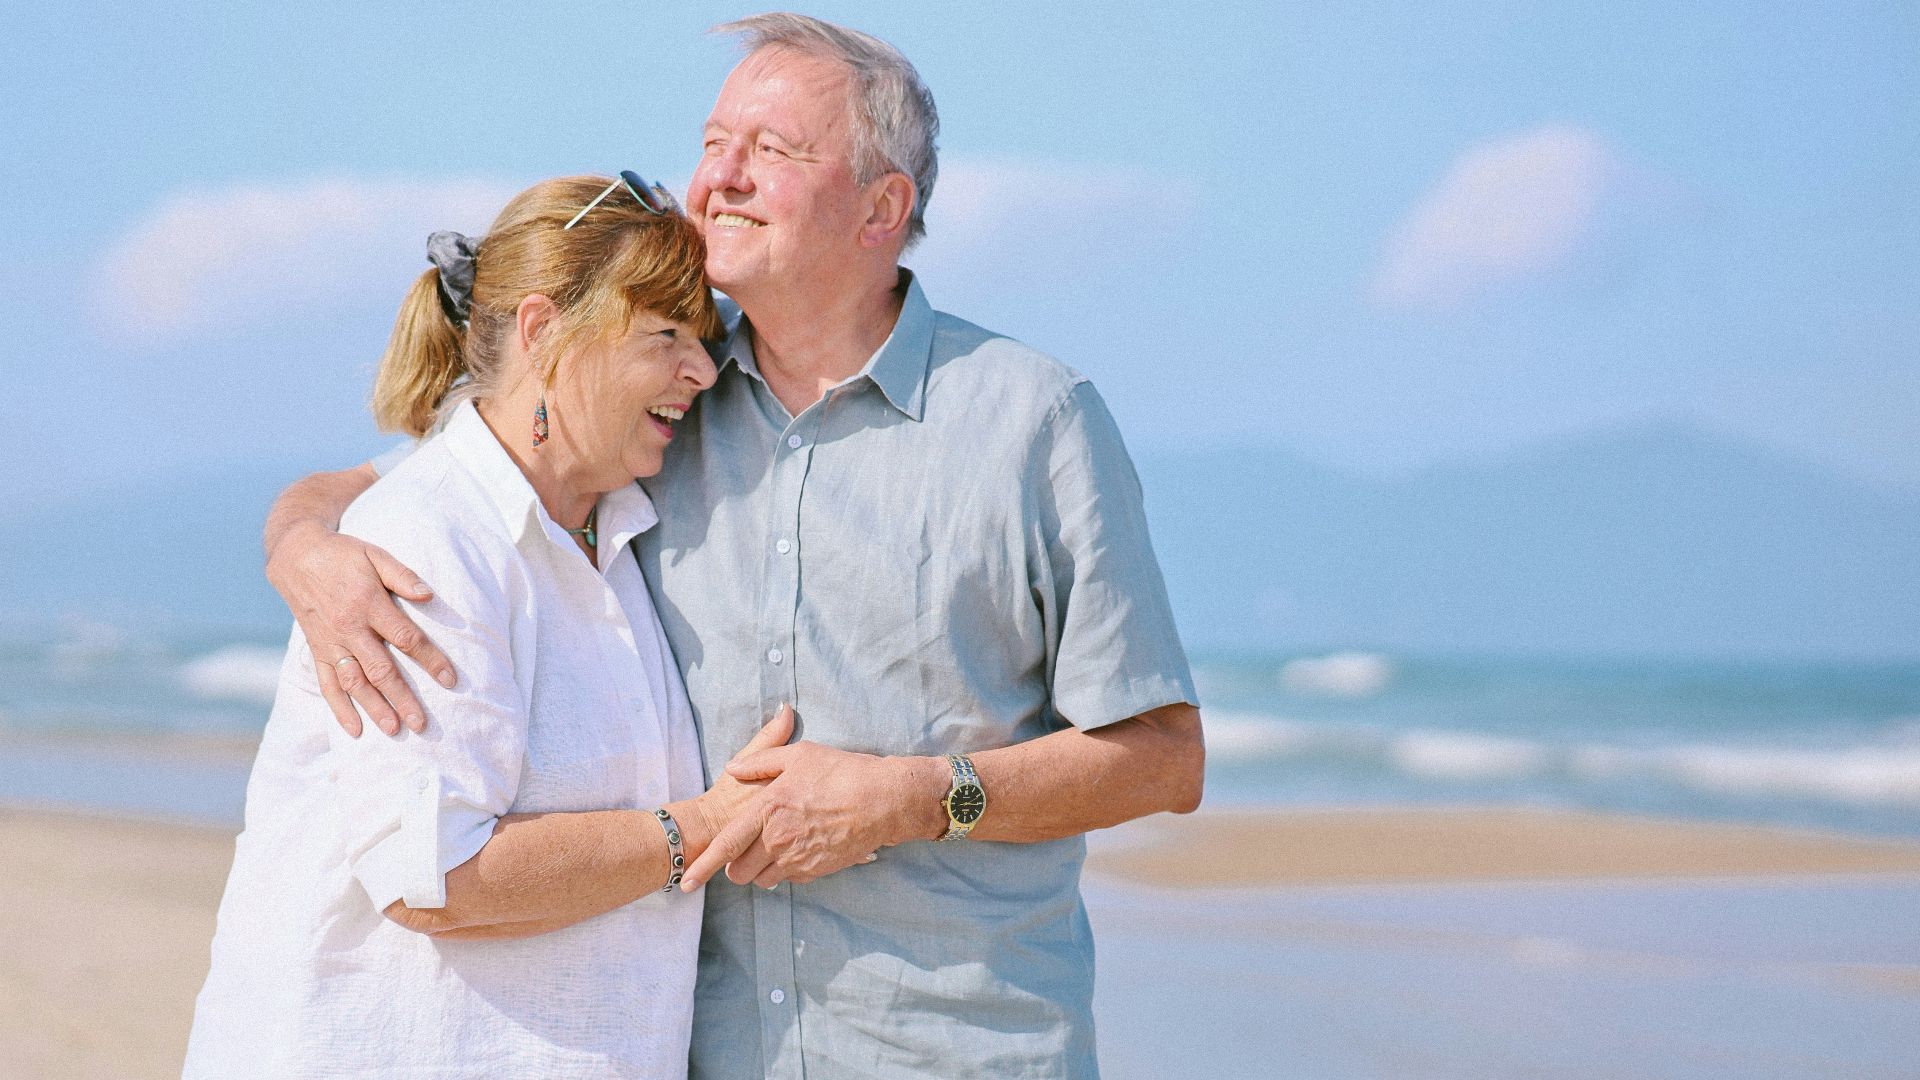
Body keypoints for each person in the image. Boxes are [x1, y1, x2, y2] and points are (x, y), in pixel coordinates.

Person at [262, 13, 1207, 1079]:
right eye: (714, 144)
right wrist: (301, 540)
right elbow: (445, 478)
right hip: (704, 1055)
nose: (720, 180)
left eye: (775, 152)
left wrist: (914, 797)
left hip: (963, 1051)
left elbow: (1166, 758)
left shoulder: (1035, 422)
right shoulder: (658, 393)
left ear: (882, 208)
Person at [185, 173, 792, 1078]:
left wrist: (297, 531)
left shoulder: (609, 527)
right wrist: (702, 828)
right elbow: (435, 878)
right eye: (666, 336)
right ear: (543, 330)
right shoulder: (427, 542)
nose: (703, 371)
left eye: (702, 340)